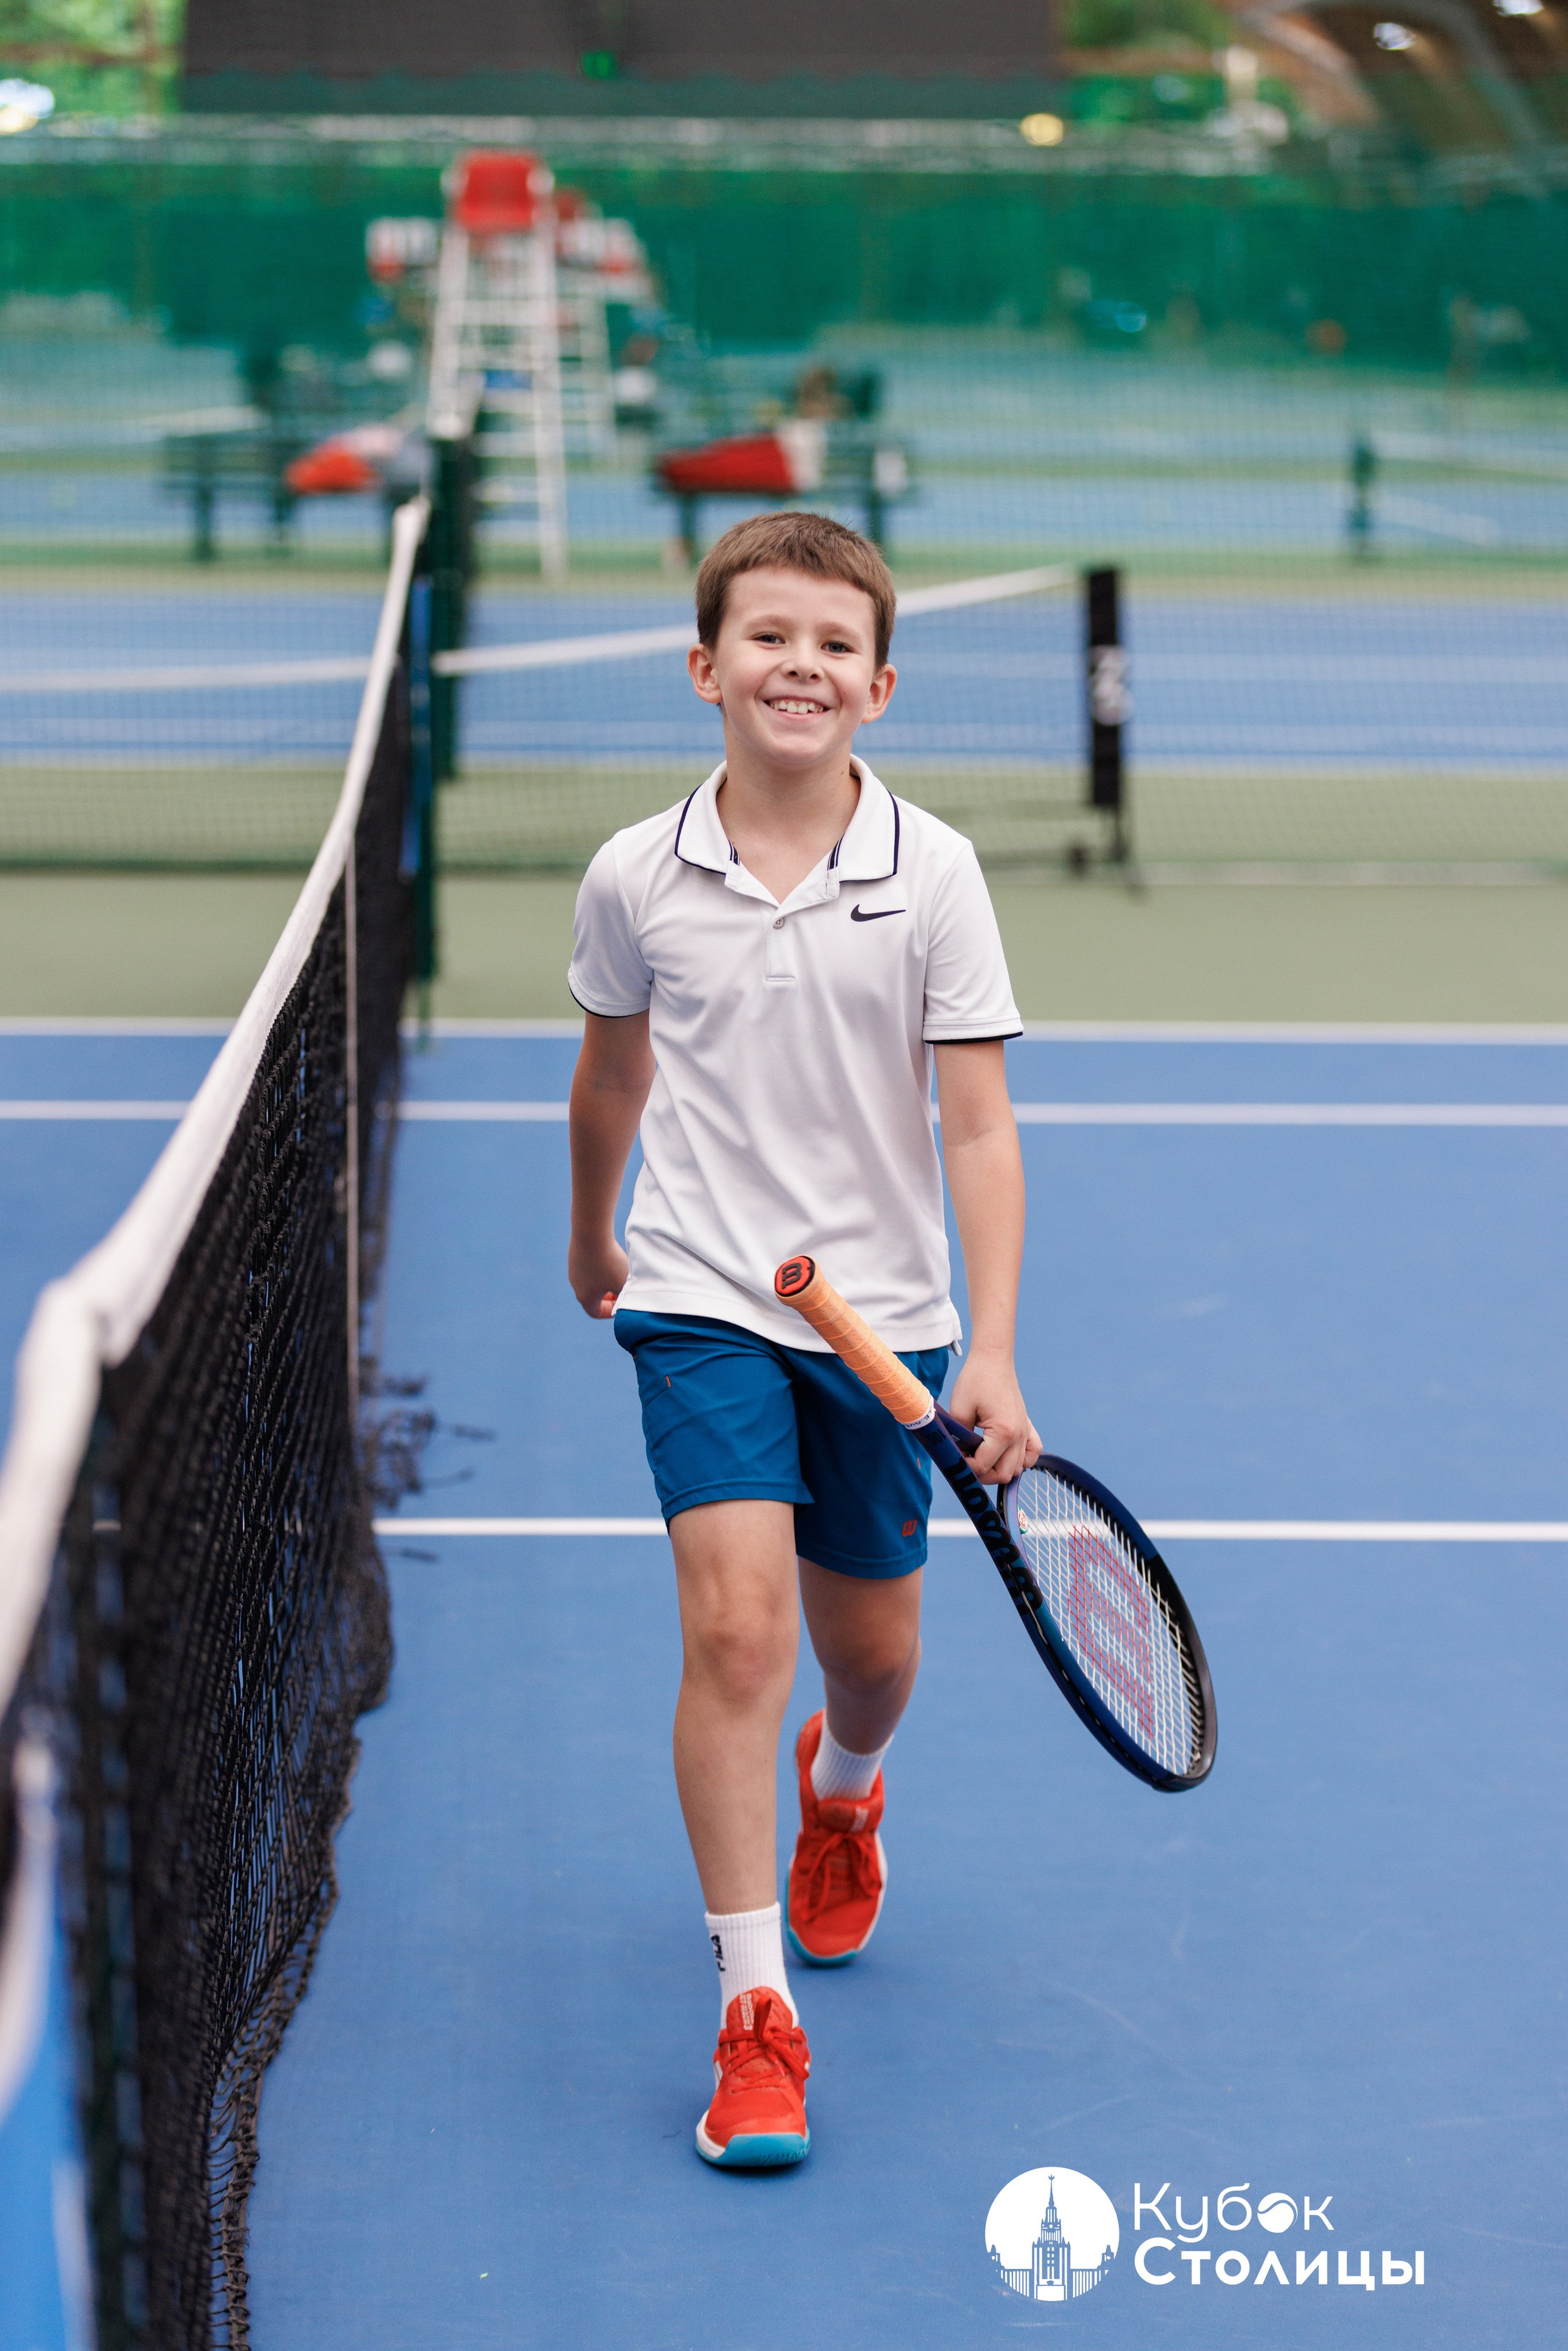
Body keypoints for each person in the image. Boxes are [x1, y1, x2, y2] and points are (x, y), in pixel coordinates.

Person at [566, 510, 1039, 2168]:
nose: (802, 665)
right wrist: (593, 1232)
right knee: (735, 1632)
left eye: (836, 645)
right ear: (706, 667)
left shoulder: (937, 874)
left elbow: (977, 1125)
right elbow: (611, 1076)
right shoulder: (634, 873)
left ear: (880, 687)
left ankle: (843, 1791)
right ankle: (754, 2014)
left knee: (873, 1660)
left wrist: (992, 1349)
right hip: (701, 1296)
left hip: (885, 1327)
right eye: (769, 636)